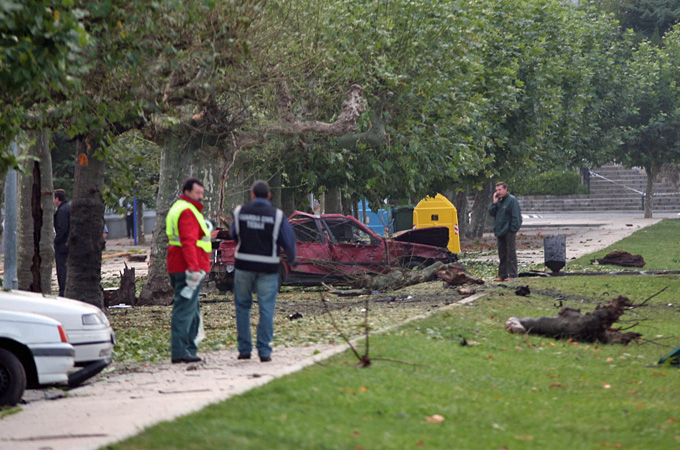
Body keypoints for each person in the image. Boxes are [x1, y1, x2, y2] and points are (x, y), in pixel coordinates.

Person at [230, 180, 296, 362]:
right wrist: (292, 258)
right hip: (268, 268)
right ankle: (264, 351)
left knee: (242, 307)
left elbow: (233, 234)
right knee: (266, 308)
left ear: (252, 195)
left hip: (244, 266)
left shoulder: (240, 212)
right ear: (268, 196)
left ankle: (244, 350)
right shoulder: (277, 215)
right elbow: (288, 240)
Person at [166, 178, 212, 364]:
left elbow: (191, 238)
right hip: (188, 269)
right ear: (187, 191)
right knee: (185, 310)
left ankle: (189, 349)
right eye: (197, 193)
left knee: (191, 310)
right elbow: (188, 241)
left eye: (202, 193)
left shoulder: (180, 207)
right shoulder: (187, 211)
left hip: (178, 265)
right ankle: (180, 351)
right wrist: (194, 268)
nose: (201, 196)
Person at [488, 181, 522, 282]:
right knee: (502, 253)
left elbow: (516, 216)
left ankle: (512, 274)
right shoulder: (499, 201)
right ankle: (502, 274)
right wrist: (494, 202)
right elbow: (492, 213)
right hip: (500, 231)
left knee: (510, 252)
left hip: (509, 231)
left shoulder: (511, 200)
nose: (498, 192)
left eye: (500, 190)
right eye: (496, 190)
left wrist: (513, 229)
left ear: (505, 189)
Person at [53, 189, 70, 297]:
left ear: (57, 199)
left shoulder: (62, 211)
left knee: (62, 268)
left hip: (63, 244)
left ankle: (63, 290)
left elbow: (62, 228)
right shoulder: (68, 208)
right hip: (67, 243)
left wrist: (57, 240)